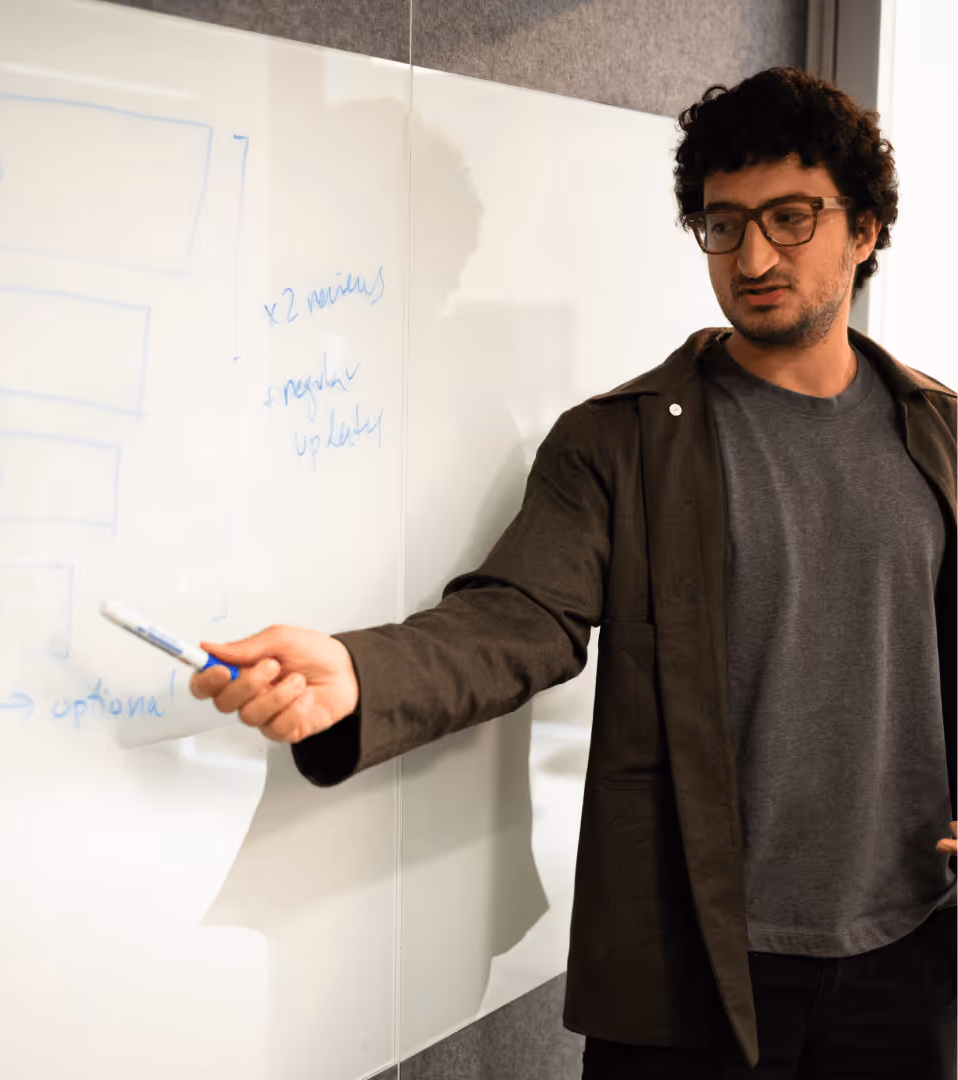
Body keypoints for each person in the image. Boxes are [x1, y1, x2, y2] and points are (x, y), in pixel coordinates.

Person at [191, 67, 958, 1078]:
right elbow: (518, 618)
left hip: (907, 951)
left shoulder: (934, 431)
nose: (753, 254)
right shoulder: (623, 442)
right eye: (721, 225)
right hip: (693, 964)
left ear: (861, 229)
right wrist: (358, 672)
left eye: (790, 217)